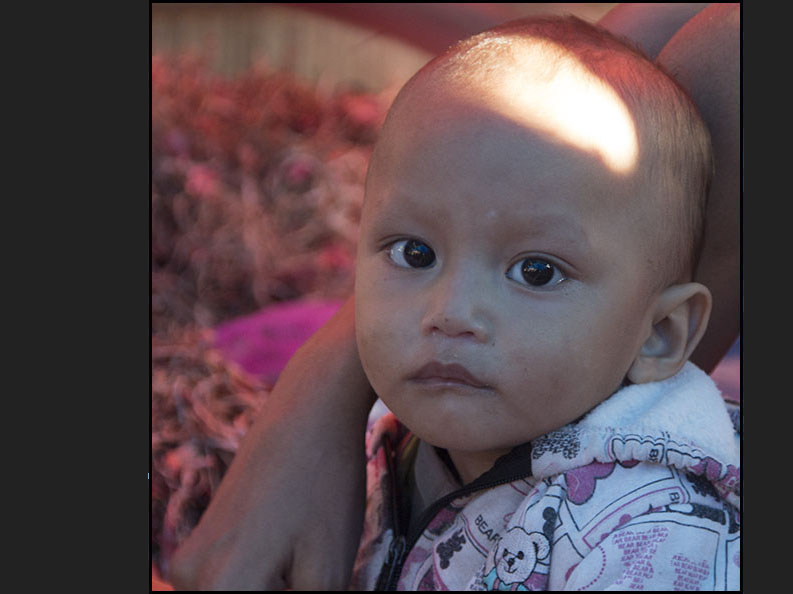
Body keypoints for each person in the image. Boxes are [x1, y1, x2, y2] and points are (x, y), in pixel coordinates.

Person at [169, 4, 739, 590]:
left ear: (660, 332)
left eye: (536, 272)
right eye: (415, 254)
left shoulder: (646, 535)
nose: (451, 313)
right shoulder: (393, 440)